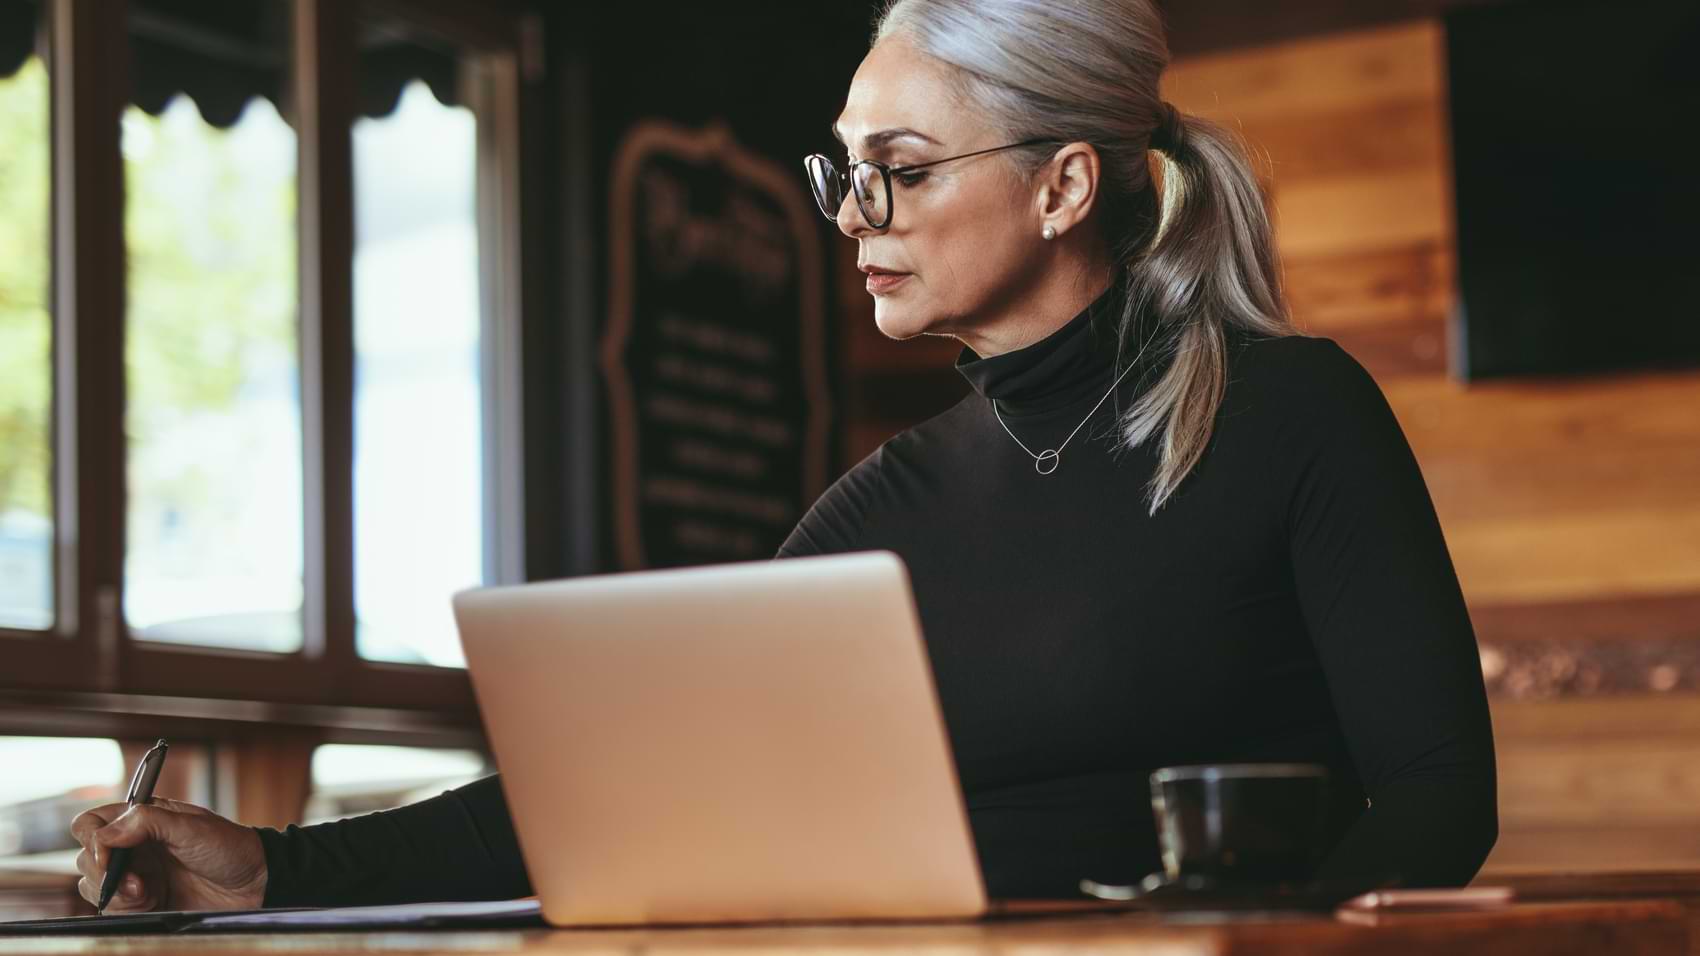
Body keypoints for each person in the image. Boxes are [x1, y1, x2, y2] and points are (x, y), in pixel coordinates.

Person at [70, 0, 1496, 912]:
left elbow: (1437, 797)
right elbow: (621, 787)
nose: (855, 212)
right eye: (842, 169)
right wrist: (279, 869)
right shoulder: (886, 507)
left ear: (1062, 185)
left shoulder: (1293, 415)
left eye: (905, 167)